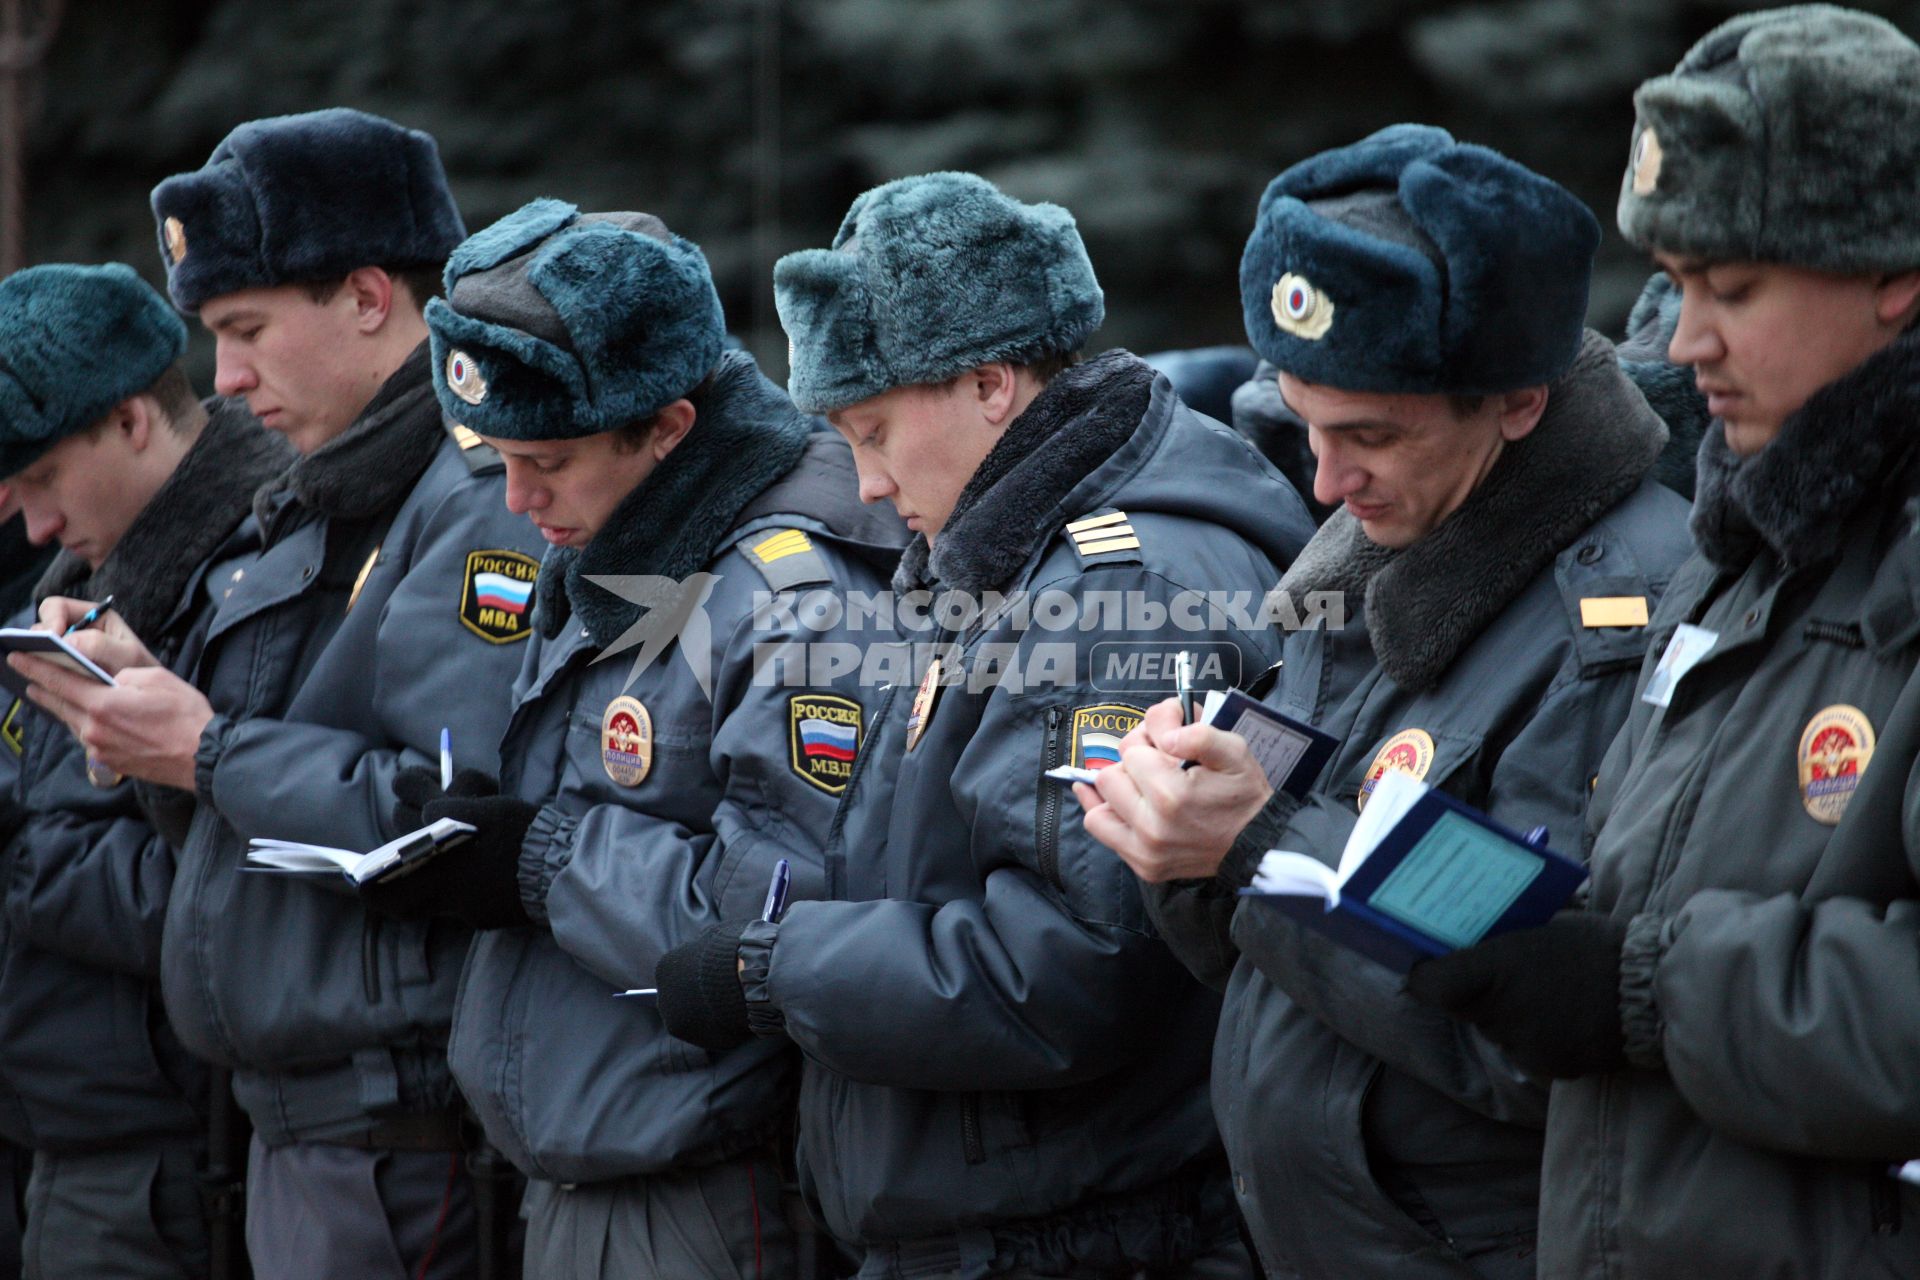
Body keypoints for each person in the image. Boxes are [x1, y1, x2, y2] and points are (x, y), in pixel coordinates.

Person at [653, 169, 1315, 1278]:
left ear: (992, 385)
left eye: (873, 429)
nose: (862, 483)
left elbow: (1065, 962)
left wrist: (779, 970)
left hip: (1075, 1237)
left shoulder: (1115, 591)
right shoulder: (998, 561)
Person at [1076, 124, 1692, 1278]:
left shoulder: (1621, 612)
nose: (1324, 480)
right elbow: (1274, 948)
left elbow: (1529, 1015)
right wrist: (1191, 831)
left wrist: (1260, 842)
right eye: (1303, 421)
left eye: (1368, 434)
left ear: (1515, 401)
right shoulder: (1375, 549)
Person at [1405, 9, 1920, 1276]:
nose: (1686, 343)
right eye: (1680, 285)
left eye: (1733, 290)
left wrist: (1639, 990)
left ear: (1892, 276)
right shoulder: (1746, 551)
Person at [9, 108, 544, 1279]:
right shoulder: (327, 501)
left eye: (245, 329)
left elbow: (453, 817)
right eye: (212, 334)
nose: (228, 377)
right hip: (303, 1131)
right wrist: (143, 709)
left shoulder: (472, 501)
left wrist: (203, 746)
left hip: (393, 1134)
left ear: (366, 296)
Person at [357, 198, 908, 1278]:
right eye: (497, 456)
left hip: (706, 1193)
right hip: (583, 1180)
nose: (517, 499)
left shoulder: (791, 597)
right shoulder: (620, 538)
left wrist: (540, 858)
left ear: (666, 428)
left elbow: (789, 921)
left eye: (548, 460)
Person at [0, 264, 288, 1279]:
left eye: (40, 481)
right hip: (79, 1128)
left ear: (131, 421)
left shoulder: (261, 574)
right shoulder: (85, 572)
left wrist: (16, 855)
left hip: (172, 1151)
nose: (32, 525)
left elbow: (235, 888)